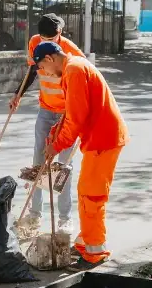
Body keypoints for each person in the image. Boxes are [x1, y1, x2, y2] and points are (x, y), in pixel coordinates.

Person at [34, 41, 128, 270]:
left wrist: (56, 147)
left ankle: (96, 251)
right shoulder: (74, 67)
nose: (46, 74)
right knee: (86, 192)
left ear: (48, 59)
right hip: (101, 138)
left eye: (43, 69)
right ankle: (87, 242)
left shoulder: (74, 71)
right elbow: (71, 113)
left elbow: (76, 117)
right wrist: (54, 137)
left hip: (103, 140)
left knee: (91, 196)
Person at [10, 14, 84, 233]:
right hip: (45, 109)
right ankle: (34, 216)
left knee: (63, 167)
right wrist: (18, 95)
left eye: (50, 38)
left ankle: (64, 219)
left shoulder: (71, 51)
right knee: (38, 163)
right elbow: (33, 70)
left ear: (60, 34)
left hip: (66, 114)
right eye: (43, 37)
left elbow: (82, 80)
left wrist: (76, 115)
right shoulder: (35, 42)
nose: (46, 42)